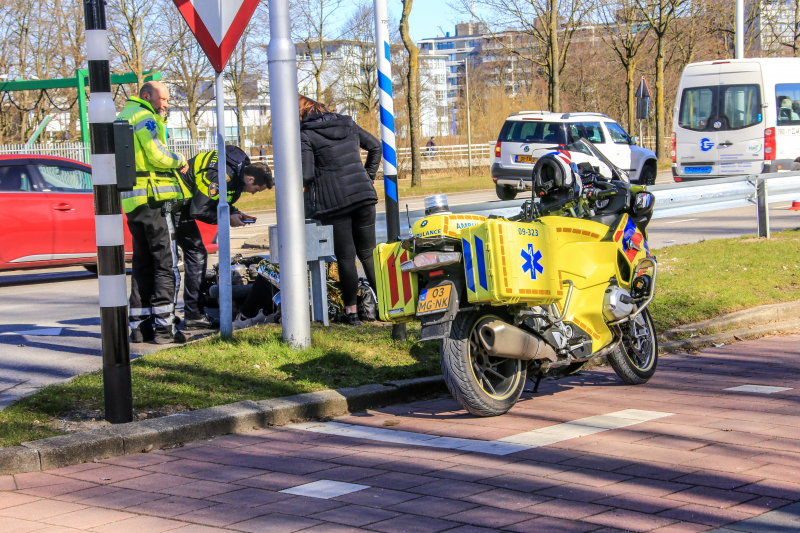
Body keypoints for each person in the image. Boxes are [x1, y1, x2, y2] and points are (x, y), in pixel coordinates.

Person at [118, 81, 191, 345]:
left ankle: (139, 328)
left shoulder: (123, 115)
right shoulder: (145, 117)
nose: (167, 104)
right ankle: (164, 329)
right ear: (148, 96)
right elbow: (157, 155)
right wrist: (180, 159)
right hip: (154, 198)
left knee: (142, 265)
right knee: (166, 264)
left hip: (133, 202)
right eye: (165, 99)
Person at [299, 95, 381, 326]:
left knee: (346, 257)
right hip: (363, 196)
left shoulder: (306, 134)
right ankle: (387, 306)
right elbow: (375, 146)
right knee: (369, 254)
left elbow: (306, 174)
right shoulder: (347, 123)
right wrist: (368, 177)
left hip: (334, 202)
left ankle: (352, 314)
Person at [175, 145, 274, 330]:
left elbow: (222, 199)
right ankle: (193, 316)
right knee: (195, 255)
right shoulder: (220, 175)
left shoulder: (236, 170)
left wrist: (235, 212)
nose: (253, 193)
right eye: (256, 189)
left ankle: (190, 313)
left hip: (184, 203)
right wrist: (228, 218)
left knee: (194, 255)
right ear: (250, 178)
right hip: (177, 203)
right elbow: (199, 210)